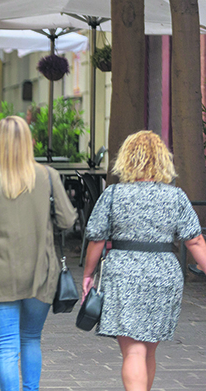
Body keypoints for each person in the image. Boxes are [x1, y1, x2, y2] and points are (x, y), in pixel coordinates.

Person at [0, 116, 77, 391]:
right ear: (29, 144)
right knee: (31, 338)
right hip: (39, 272)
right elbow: (67, 221)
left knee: (7, 347)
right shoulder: (48, 177)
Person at [83, 130, 206, 391]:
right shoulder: (176, 196)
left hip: (123, 272)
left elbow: (96, 239)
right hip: (164, 273)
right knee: (148, 351)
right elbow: (194, 241)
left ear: (126, 159)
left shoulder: (114, 194)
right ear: (163, 160)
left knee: (133, 352)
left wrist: (88, 275)